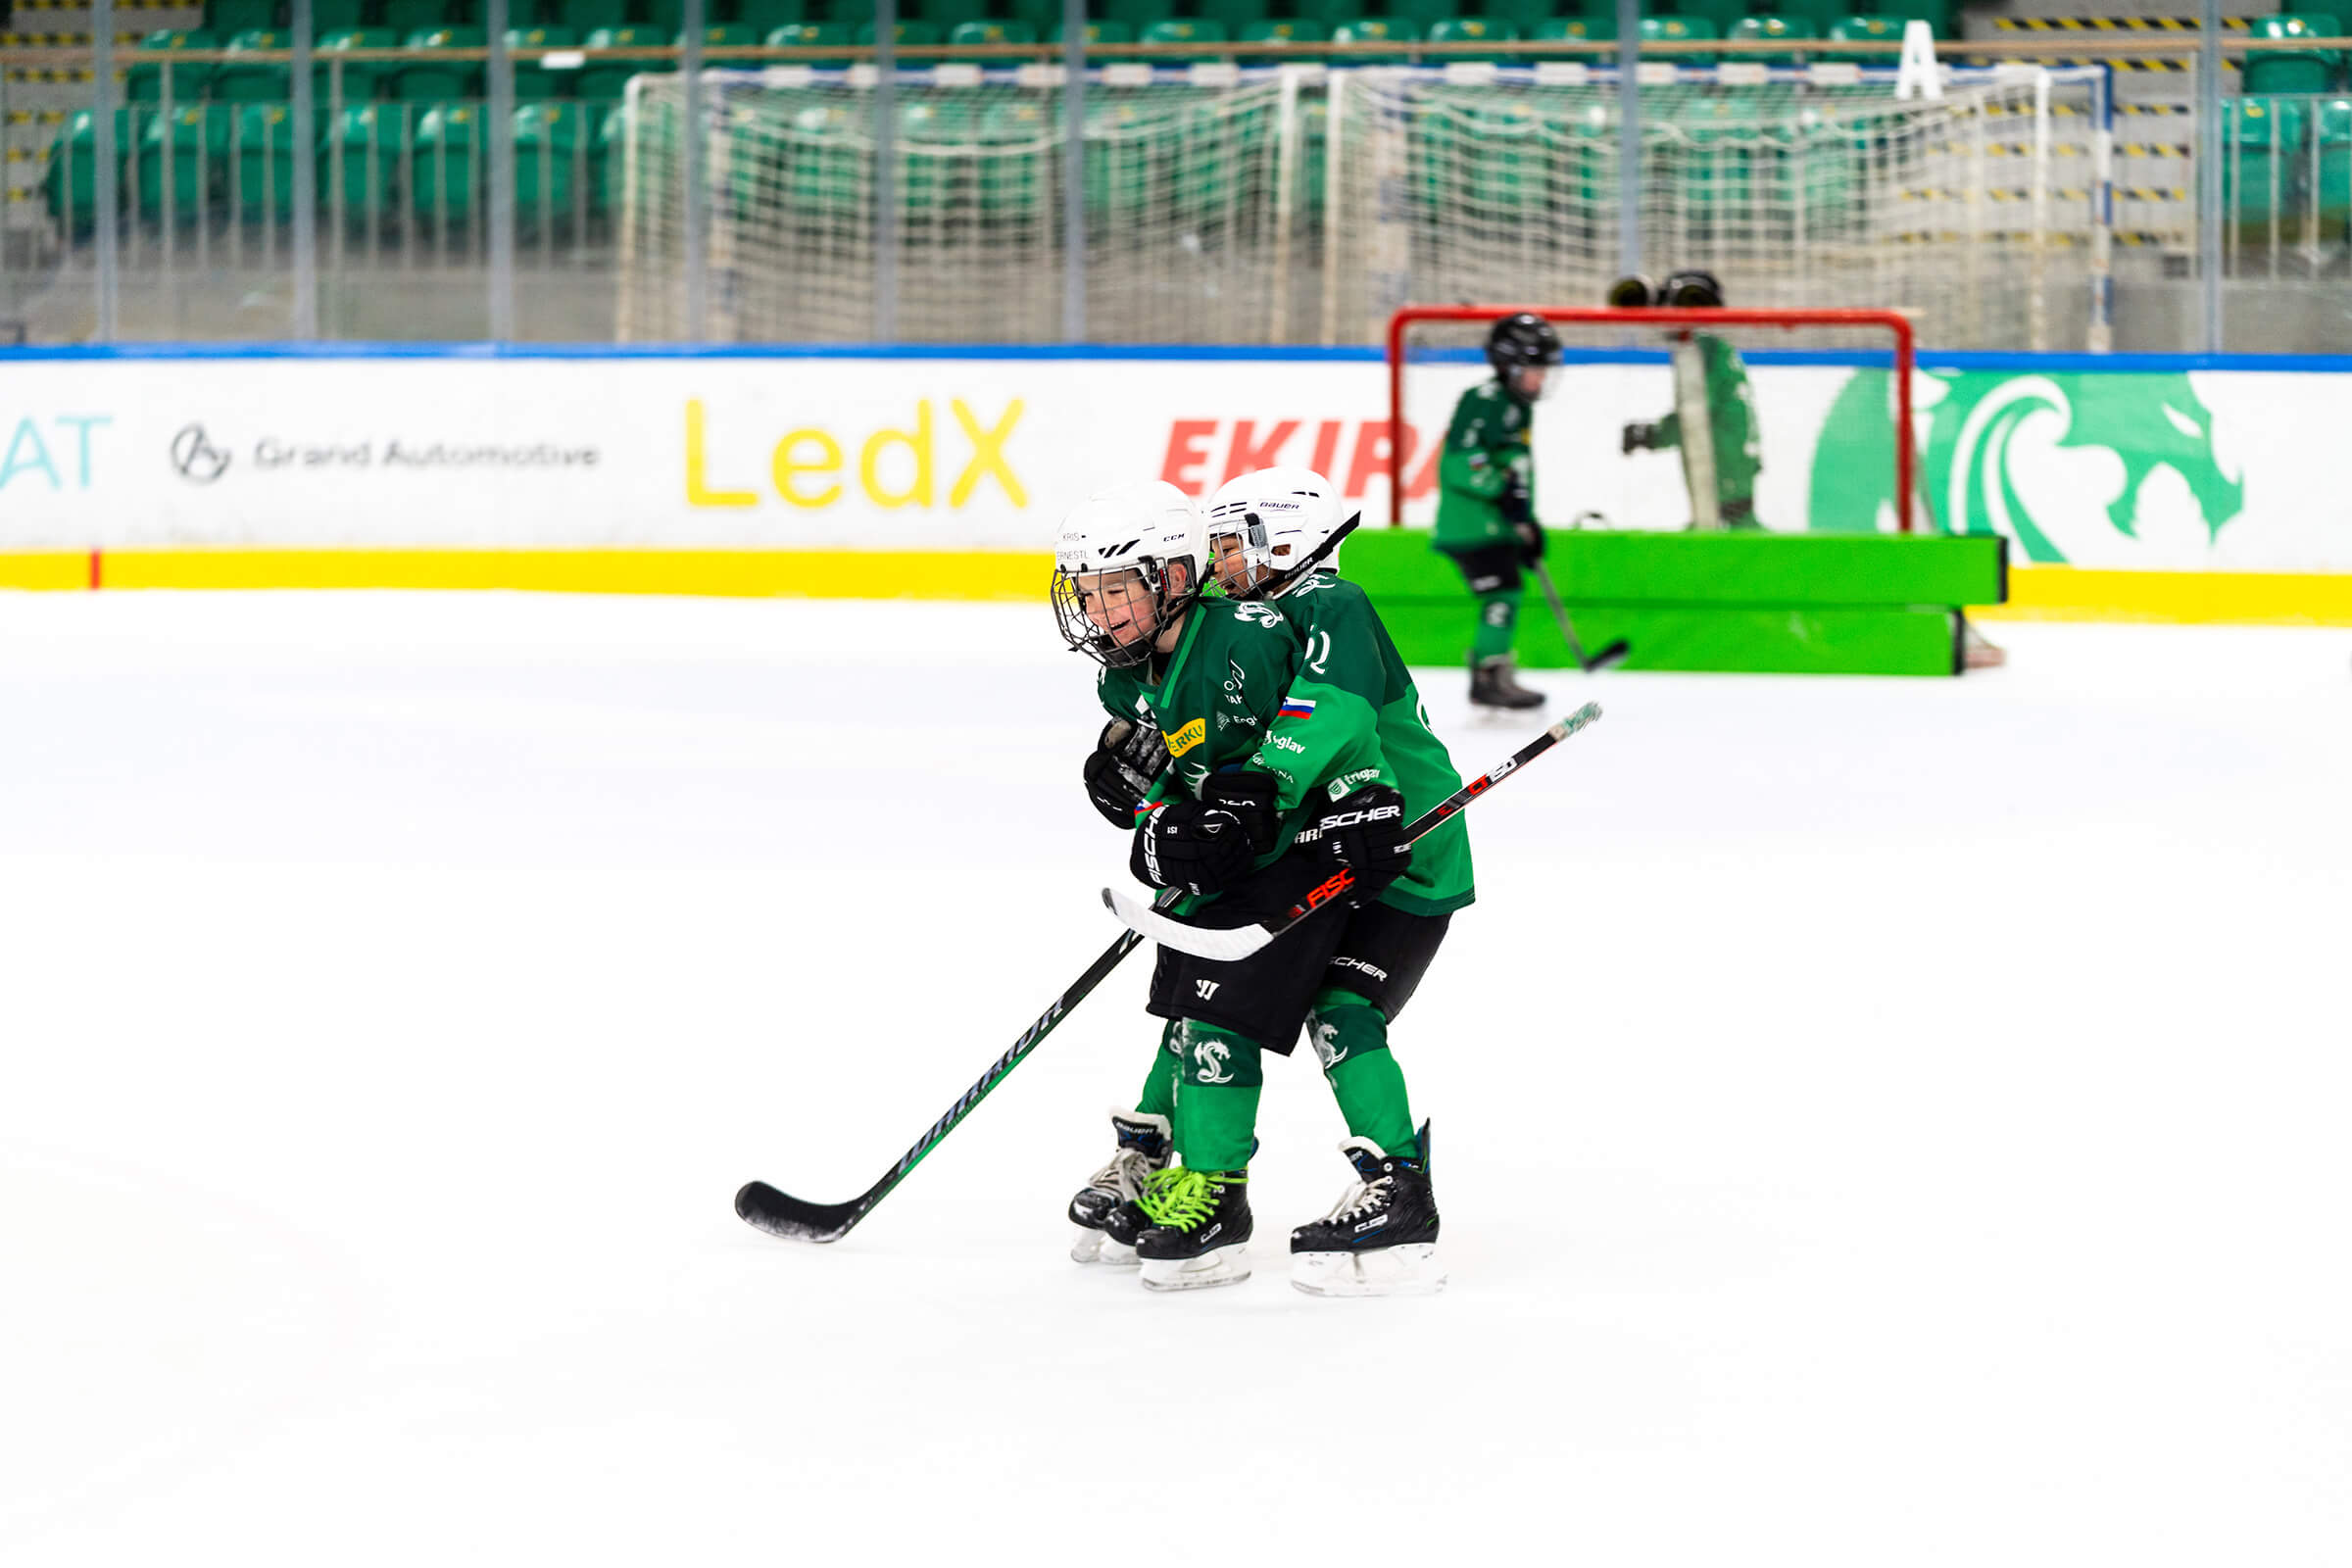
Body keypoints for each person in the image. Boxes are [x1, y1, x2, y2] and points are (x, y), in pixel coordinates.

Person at [1051, 478, 1445, 1296]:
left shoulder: (1310, 612)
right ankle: (1158, 1155)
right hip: (1298, 845)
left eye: (1235, 546)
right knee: (1200, 988)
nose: (1226, 564)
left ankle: (1359, 1187)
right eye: (1087, 594)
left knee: (1292, 1003)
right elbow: (1187, 763)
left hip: (1391, 845)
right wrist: (1155, 807)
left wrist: (1265, 793)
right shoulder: (1151, 663)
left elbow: (1328, 715)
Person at [1432, 312, 1560, 712]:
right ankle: (1487, 678)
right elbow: (1458, 463)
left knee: (1509, 592)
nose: (1541, 379)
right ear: (1509, 365)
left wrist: (1524, 521)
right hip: (1470, 526)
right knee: (1502, 593)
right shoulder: (1484, 400)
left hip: (1495, 526)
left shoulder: (1516, 406)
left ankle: (1495, 673)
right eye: (1534, 369)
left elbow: (1512, 470)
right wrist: (1500, 491)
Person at [1616, 270, 1764, 529]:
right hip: (1729, 459)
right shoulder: (1707, 348)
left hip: (1723, 463)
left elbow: (1694, 416)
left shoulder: (1703, 349)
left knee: (1734, 526)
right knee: (1731, 523)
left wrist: (1651, 435)